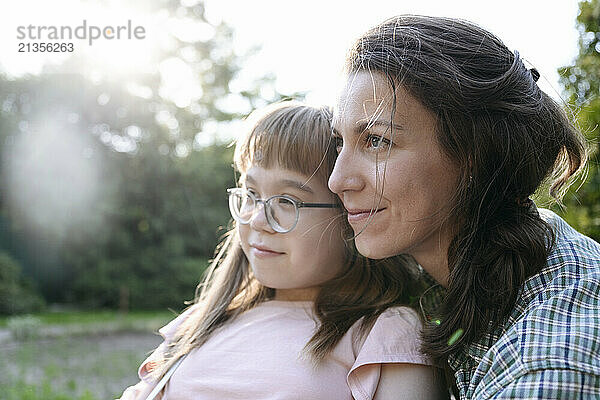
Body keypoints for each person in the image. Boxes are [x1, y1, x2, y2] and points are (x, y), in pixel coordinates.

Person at [328, 15, 600, 400]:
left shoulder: (545, 366)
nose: (337, 181)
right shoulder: (529, 237)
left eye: (376, 141)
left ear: (474, 155)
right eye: (340, 142)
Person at [118, 101, 447, 400]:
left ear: (350, 215)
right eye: (250, 194)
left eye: (288, 202)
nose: (259, 220)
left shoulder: (384, 331)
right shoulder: (208, 319)